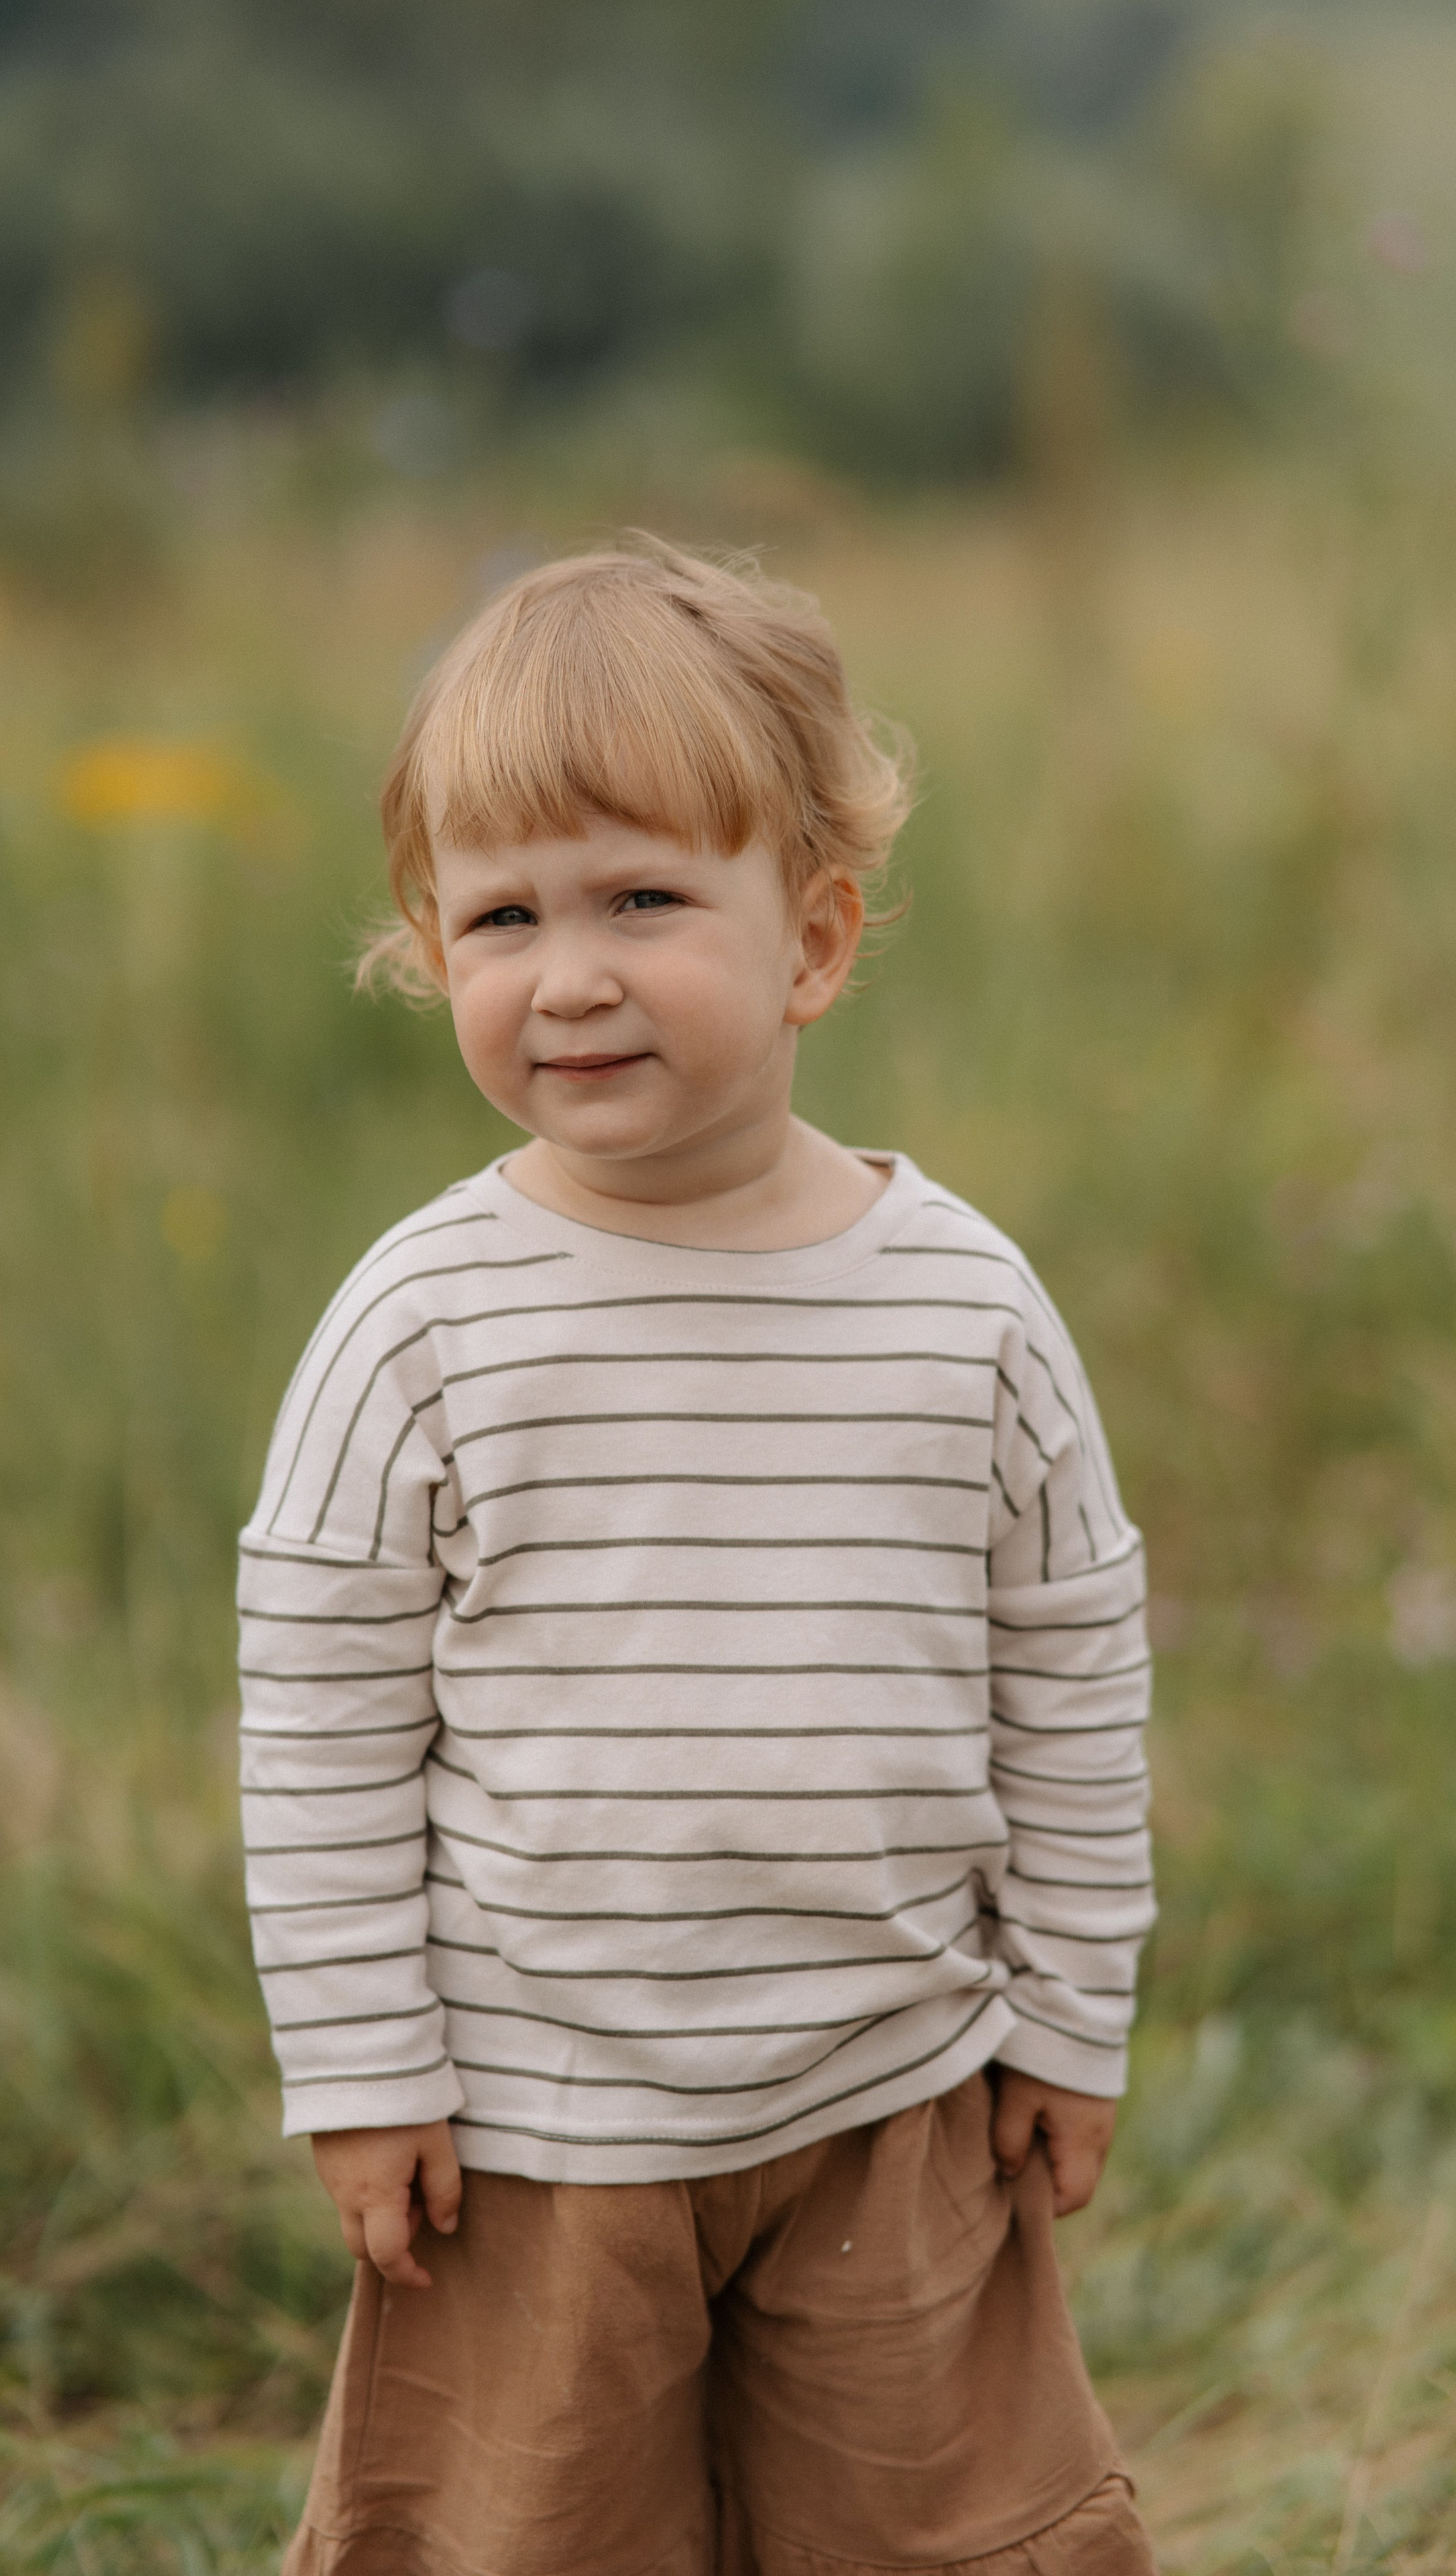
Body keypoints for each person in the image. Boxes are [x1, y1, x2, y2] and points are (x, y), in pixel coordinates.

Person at [239, 539, 1157, 2576]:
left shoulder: (967, 1308)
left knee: (942, 2535)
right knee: (526, 2541)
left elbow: (1072, 1673)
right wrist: (363, 2067)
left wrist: (1072, 2011)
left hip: (895, 2090)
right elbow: (319, 1720)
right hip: (532, 2130)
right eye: (503, 917)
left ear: (813, 938)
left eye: (643, 899)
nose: (568, 972)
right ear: (432, 951)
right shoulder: (420, 1323)